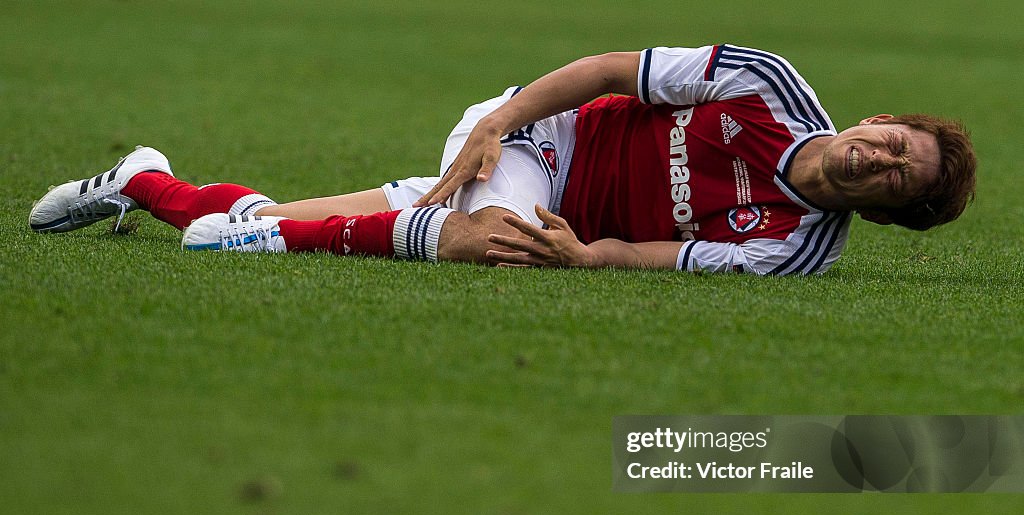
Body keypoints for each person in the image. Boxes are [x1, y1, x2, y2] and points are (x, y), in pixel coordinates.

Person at [30, 45, 976, 276]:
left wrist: (593, 256)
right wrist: (501, 122)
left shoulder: (801, 250)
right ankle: (262, 249)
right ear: (879, 119)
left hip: (565, 210)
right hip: (536, 137)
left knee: (249, 212)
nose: (882, 161)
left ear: (886, 210)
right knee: (497, 239)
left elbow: (666, 259)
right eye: (895, 144)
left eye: (901, 179)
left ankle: (145, 180)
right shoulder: (768, 85)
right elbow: (613, 68)